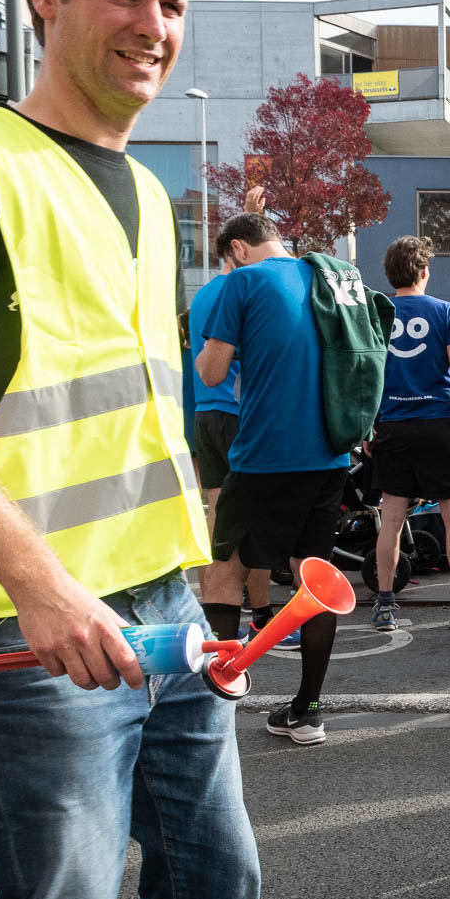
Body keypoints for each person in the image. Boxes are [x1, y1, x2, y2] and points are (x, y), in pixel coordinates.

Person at [0, 0, 259, 899]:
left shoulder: (154, 197)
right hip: (23, 626)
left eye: (169, 3)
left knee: (217, 890)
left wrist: (201, 608)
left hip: (163, 613)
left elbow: (151, 419)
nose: (152, 26)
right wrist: (43, 586)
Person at [197, 212, 351, 746]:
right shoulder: (328, 275)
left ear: (238, 248)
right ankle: (308, 711)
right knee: (313, 584)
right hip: (331, 455)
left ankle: (212, 707)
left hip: (264, 456)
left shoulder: (240, 281)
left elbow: (212, 373)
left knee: (223, 574)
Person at [368, 235, 450, 632]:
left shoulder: (377, 311)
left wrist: (368, 424)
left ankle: (384, 606)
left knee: (391, 517)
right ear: (423, 271)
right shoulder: (446, 311)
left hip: (392, 424)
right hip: (438, 422)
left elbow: (366, 371)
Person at [189, 212, 291, 646]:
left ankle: (210, 616)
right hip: (238, 412)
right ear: (239, 251)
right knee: (258, 522)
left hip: (203, 415)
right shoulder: (248, 287)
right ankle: (263, 618)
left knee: (217, 520)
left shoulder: (202, 295)